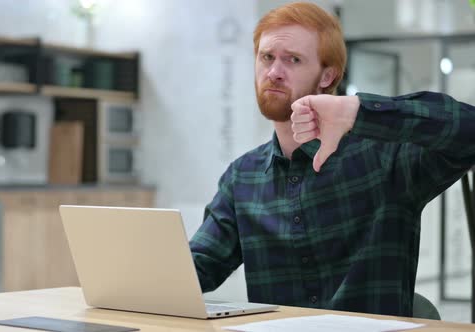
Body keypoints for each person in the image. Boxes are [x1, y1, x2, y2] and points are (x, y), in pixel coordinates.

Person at [189, 2, 475, 317]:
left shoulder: (386, 156)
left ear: (328, 75)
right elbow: (198, 267)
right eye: (266, 57)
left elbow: (468, 130)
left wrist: (357, 110)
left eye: (293, 60)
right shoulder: (242, 177)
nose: (274, 72)